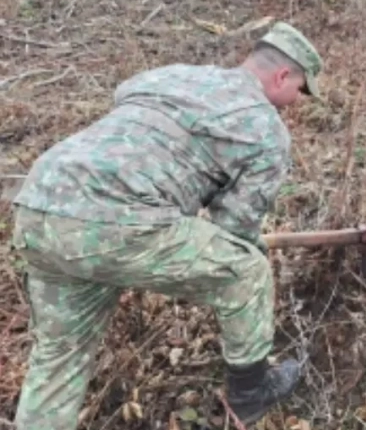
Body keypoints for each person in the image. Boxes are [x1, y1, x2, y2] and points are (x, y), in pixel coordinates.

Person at [9, 22, 324, 429]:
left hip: (40, 204)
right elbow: (235, 229)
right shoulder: (266, 129)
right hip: (114, 221)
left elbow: (125, 96)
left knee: (59, 358)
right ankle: (251, 393)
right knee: (247, 270)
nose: (296, 103)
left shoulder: (173, 75)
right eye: (300, 90)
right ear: (283, 76)